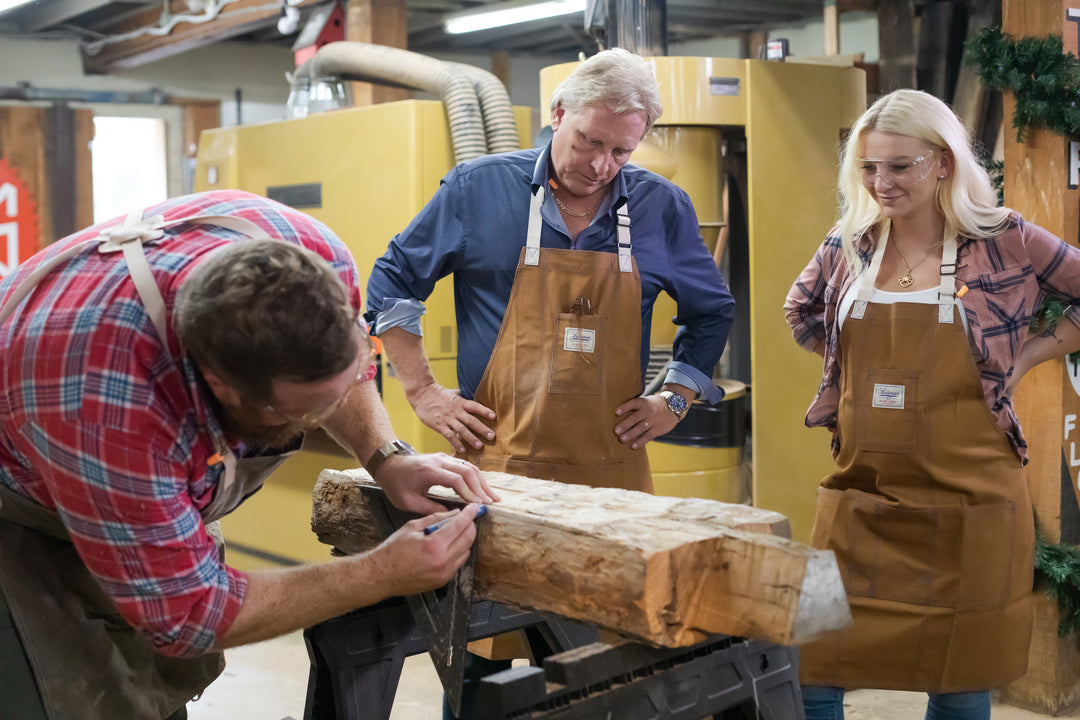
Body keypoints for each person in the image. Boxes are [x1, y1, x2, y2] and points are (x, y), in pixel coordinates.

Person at [0, 189, 497, 720]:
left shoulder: (310, 254)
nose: (316, 422)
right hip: (22, 505)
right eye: (301, 414)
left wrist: (386, 457)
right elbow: (189, 615)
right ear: (223, 387)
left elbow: (342, 371)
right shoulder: (110, 407)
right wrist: (380, 573)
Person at [365, 47, 734, 718]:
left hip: (612, 476)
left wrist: (676, 394)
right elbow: (391, 281)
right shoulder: (479, 189)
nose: (599, 165)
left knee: (613, 670)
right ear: (557, 115)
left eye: (620, 151)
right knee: (482, 673)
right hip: (497, 474)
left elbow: (712, 312)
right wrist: (421, 390)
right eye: (588, 141)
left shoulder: (661, 208)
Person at [784, 88, 1080, 719]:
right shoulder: (851, 242)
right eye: (868, 167)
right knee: (813, 664)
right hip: (861, 494)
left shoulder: (1005, 240)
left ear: (943, 162)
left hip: (971, 499)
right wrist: (846, 370)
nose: (880, 182)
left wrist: (1028, 354)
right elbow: (800, 309)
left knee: (960, 676)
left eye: (899, 166)